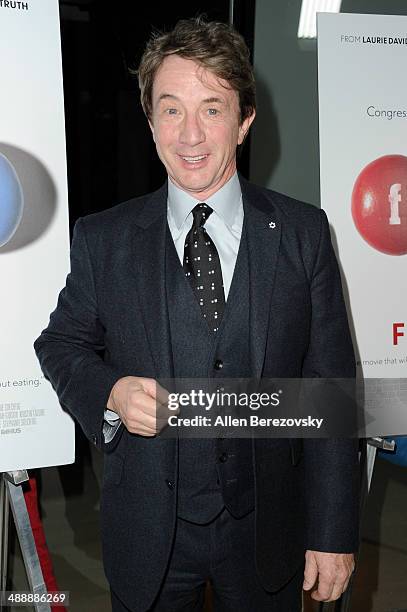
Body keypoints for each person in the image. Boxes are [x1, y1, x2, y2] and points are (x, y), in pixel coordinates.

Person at [34, 16, 359, 612]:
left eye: (211, 108)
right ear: (151, 120)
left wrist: (334, 532)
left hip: (269, 530)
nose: (190, 135)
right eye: (171, 109)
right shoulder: (104, 240)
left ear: (245, 120)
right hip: (149, 533)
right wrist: (108, 390)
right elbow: (60, 344)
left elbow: (331, 392)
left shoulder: (302, 235)